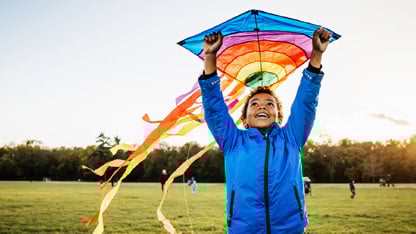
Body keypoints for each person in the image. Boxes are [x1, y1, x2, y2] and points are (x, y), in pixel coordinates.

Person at [199, 27, 332, 234]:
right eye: (254, 104)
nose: (262, 106)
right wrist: (210, 56)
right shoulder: (233, 141)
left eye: (270, 104)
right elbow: (214, 108)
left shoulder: (291, 138)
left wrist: (317, 54)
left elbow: (305, 103)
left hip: (290, 229)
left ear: (278, 116)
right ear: (244, 118)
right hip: (244, 229)